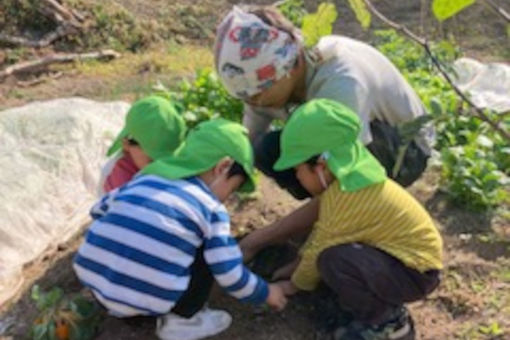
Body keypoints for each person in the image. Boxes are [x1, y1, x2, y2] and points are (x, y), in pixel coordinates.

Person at [214, 5, 435, 259]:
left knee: (341, 187)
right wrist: (204, 207)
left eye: (256, 94)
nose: (253, 102)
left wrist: (257, 241)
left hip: (403, 148)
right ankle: (325, 218)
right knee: (266, 149)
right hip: (348, 147)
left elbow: (348, 180)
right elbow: (246, 146)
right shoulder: (264, 85)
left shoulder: (341, 84)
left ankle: (352, 222)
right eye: (245, 96)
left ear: (290, 67)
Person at [73, 119, 288, 340]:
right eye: (232, 190)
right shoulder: (209, 208)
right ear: (223, 167)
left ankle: (127, 305)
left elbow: (98, 211)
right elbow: (228, 273)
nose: (227, 199)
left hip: (97, 287)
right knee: (209, 249)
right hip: (149, 300)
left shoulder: (142, 180)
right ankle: (183, 321)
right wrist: (266, 292)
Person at [270, 99, 443, 340]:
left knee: (334, 259)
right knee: (333, 258)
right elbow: (321, 234)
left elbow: (319, 247)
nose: (297, 176)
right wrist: (293, 266)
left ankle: (388, 324)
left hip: (414, 273)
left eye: (298, 168)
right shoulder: (353, 176)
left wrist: (292, 285)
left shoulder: (348, 197)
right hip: (403, 263)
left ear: (321, 166)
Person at [98, 96, 186, 195]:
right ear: (126, 143)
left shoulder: (140, 160)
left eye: (169, 159)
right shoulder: (119, 179)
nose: (160, 165)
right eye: (152, 160)